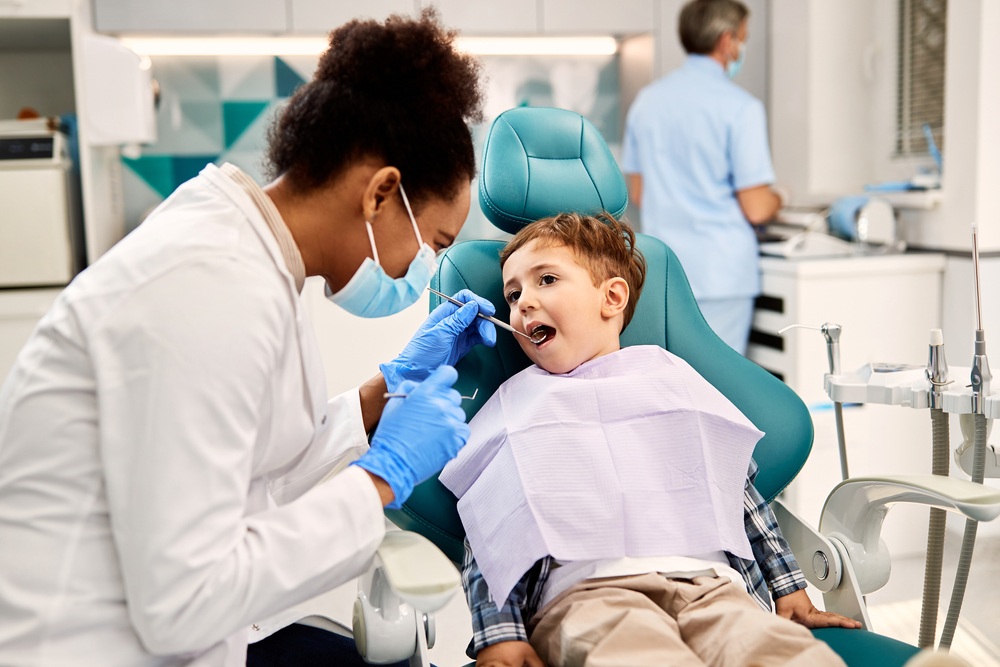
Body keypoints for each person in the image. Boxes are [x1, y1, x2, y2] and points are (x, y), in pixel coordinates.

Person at [0, 11, 492, 667]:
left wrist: (379, 396)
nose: (422, 270)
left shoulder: (249, 257)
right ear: (381, 192)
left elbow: (245, 471)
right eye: (434, 243)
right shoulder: (208, 289)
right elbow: (184, 601)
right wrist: (380, 479)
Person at [439, 213, 860, 667]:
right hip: (590, 595)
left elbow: (736, 490)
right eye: (513, 294)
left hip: (710, 586)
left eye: (546, 279)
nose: (523, 303)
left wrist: (788, 588)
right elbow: (492, 528)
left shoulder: (669, 379)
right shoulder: (519, 405)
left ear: (612, 297)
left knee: (783, 654)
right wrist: (500, 636)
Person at [622, 0, 787, 355]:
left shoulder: (647, 102)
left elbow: (638, 192)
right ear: (727, 41)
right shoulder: (740, 107)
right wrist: (781, 197)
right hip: (721, 273)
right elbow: (757, 208)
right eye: (742, 39)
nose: (740, 47)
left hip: (663, 270)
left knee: (673, 379)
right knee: (718, 385)